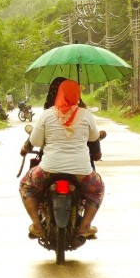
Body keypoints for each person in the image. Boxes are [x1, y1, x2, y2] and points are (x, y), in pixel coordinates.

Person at [18, 78, 104, 241]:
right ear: (77, 95)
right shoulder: (85, 114)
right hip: (81, 171)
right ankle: (85, 226)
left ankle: (37, 225)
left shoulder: (47, 114)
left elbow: (35, 141)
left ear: (59, 94)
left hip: (49, 169)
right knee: (98, 188)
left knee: (26, 186)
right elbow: (94, 138)